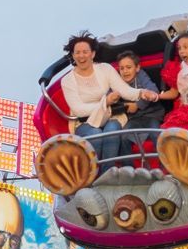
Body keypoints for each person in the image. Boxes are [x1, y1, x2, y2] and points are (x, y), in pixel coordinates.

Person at [59, 32, 158, 166]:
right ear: (72, 55)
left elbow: (125, 91)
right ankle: (96, 176)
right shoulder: (67, 80)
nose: (81, 56)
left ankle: (107, 173)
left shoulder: (105, 69)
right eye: (77, 52)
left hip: (111, 115)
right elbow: (78, 109)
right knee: (96, 134)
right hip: (85, 121)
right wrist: (105, 102)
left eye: (85, 52)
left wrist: (142, 92)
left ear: (92, 54)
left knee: (112, 129)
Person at [110, 51, 166, 158]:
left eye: (128, 67)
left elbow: (153, 90)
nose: (125, 71)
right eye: (122, 68)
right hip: (133, 119)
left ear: (137, 68)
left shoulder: (141, 76)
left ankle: (165, 166)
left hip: (151, 115)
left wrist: (137, 105)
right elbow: (111, 97)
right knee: (123, 137)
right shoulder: (117, 81)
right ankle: (128, 168)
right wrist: (122, 103)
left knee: (156, 134)